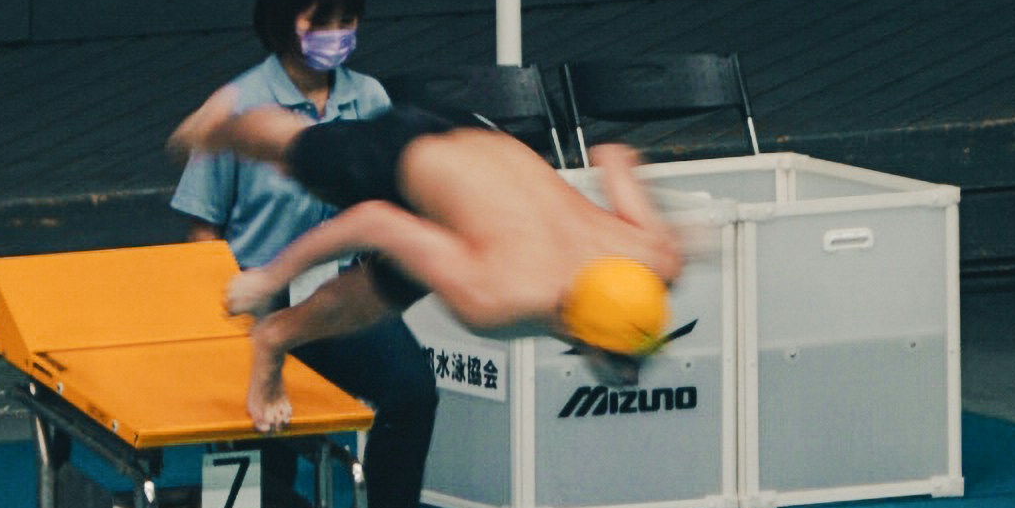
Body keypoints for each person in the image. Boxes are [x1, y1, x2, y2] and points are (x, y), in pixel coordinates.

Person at [166, 85, 683, 438]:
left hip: (477, 173)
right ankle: (218, 129)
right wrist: (271, 277)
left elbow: (615, 157)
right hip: (410, 153)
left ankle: (273, 338)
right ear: (582, 330)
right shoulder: (496, 295)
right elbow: (373, 223)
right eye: (622, 359)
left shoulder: (656, 261)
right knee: (296, 154)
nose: (632, 376)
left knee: (385, 292)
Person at [171, 0, 438, 508]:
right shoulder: (237, 106)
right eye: (322, 21)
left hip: (333, 298)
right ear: (286, 19)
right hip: (254, 299)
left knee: (411, 388)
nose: (336, 36)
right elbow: (202, 229)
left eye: (347, 22)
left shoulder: (370, 100)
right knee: (260, 439)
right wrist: (219, 326)